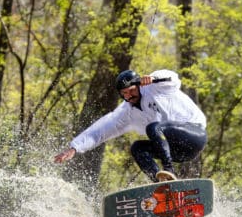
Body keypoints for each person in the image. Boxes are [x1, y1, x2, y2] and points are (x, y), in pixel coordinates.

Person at [53, 69, 207, 182]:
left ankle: (168, 170)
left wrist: (153, 78)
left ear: (138, 86)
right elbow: (100, 130)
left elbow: (173, 79)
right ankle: (161, 184)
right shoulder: (126, 112)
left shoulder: (156, 87)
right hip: (178, 152)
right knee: (137, 148)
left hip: (194, 134)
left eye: (131, 91)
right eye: (124, 94)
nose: (129, 96)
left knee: (154, 128)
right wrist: (75, 147)